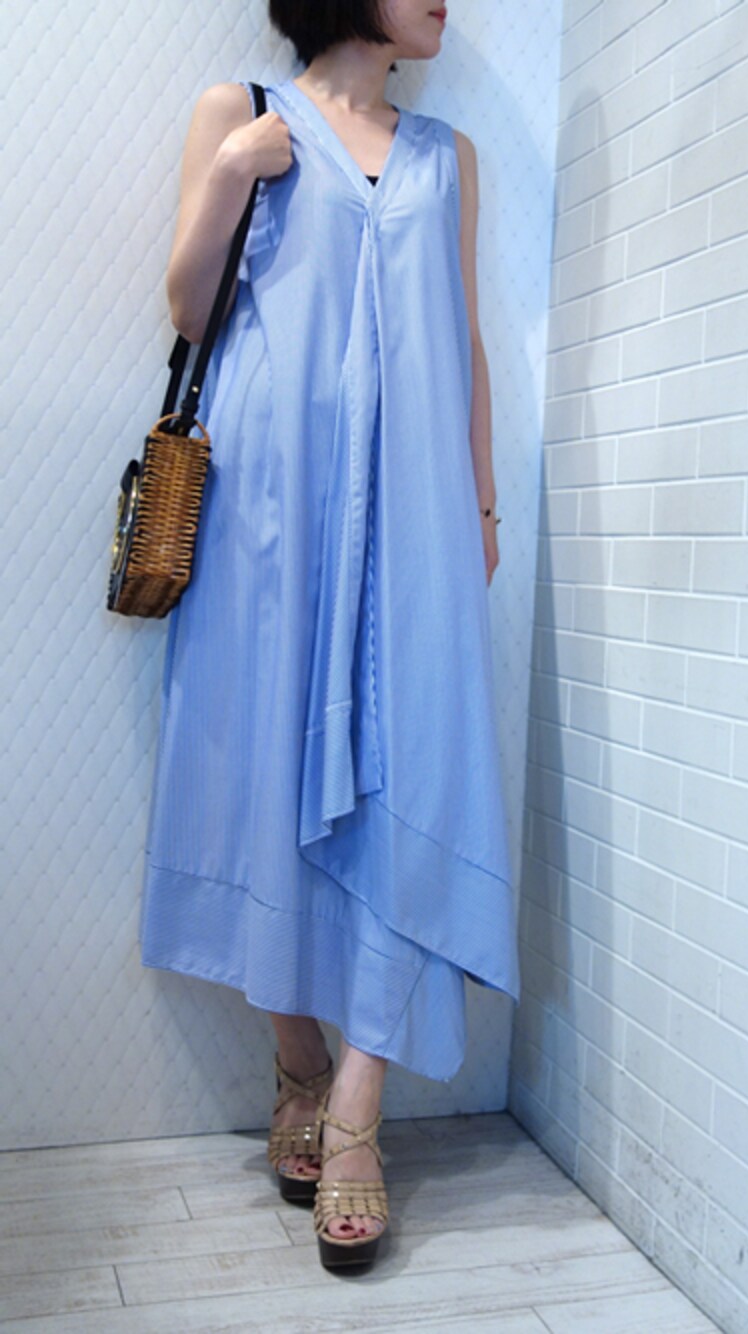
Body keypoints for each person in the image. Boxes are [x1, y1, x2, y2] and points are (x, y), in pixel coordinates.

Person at [137, 0, 520, 1271]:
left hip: (414, 510)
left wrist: (480, 504)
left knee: (414, 769)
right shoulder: (240, 114)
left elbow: (462, 337)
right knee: (260, 772)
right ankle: (298, 1058)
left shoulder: (448, 156)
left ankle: (357, 1107)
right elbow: (189, 308)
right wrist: (231, 176)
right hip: (271, 508)